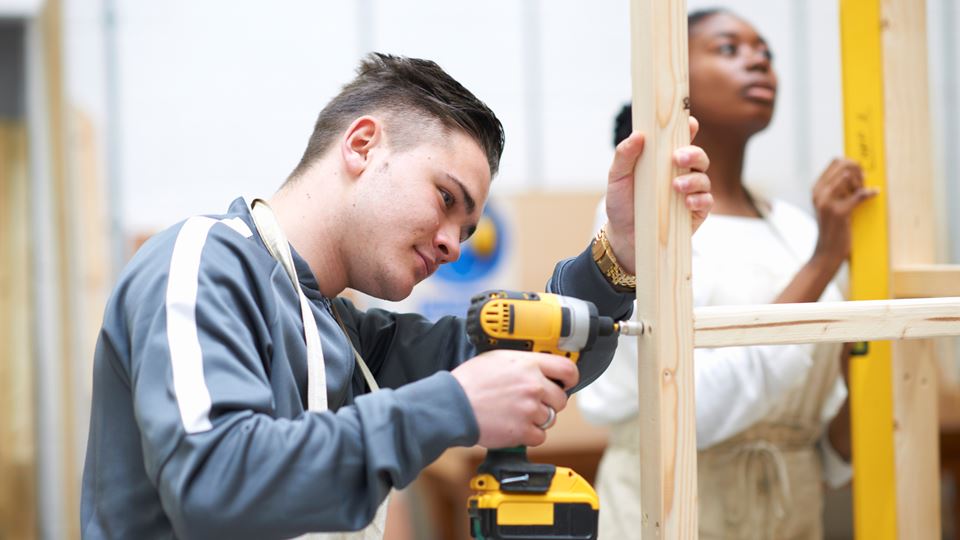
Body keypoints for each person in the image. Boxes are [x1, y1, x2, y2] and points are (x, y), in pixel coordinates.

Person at [80, 52, 713, 539]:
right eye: (446, 198)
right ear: (362, 144)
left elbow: (541, 350)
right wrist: (452, 404)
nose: (453, 245)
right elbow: (213, 483)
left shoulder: (345, 336)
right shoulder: (202, 261)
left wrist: (622, 253)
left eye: (467, 230)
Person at [578, 9, 875, 540]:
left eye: (767, 52)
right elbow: (692, 410)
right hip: (670, 508)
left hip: (792, 513)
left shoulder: (797, 228)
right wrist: (825, 262)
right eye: (729, 49)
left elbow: (828, 454)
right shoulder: (638, 225)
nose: (760, 59)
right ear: (674, 77)